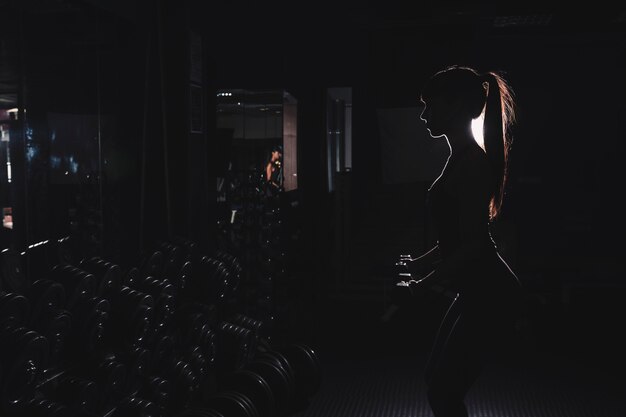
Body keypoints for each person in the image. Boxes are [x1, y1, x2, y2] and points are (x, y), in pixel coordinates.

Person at [396, 65, 524, 417]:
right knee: (435, 379)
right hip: (476, 291)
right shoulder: (459, 159)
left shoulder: (472, 164)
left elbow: (475, 245)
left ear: (453, 107)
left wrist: (424, 284)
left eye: (429, 105)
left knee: (444, 392)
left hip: (491, 295)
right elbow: (456, 239)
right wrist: (418, 264)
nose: (423, 115)